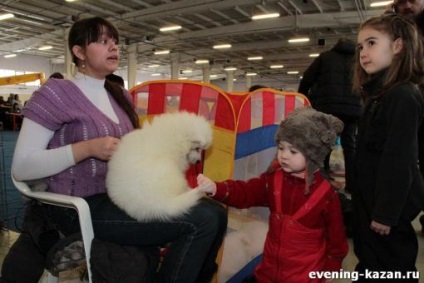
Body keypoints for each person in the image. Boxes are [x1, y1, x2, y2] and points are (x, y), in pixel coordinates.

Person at [11, 16, 227, 283]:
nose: (113, 47)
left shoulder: (120, 96)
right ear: (79, 52)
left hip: (121, 197)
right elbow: (22, 167)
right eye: (102, 41)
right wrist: (87, 148)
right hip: (77, 208)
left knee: (216, 213)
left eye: (114, 41)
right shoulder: (55, 94)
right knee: (201, 221)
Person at [197, 106, 348, 283]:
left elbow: (336, 240)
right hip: (268, 274)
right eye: (281, 148)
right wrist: (217, 188)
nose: (284, 155)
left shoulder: (326, 194)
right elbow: (247, 192)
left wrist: (330, 270)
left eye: (293, 151)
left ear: (313, 154)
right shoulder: (273, 179)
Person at [352, 13, 424, 281]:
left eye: (371, 43)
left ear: (397, 46)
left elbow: (400, 159)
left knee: (391, 270)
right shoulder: (378, 96)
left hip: (386, 214)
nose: (363, 52)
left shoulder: (402, 95)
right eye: (360, 46)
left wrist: (386, 212)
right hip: (371, 206)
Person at [298, 38, 361, 194]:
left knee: (324, 144)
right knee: (350, 147)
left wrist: (303, 99)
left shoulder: (325, 57)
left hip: (327, 108)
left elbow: (307, 78)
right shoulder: (358, 60)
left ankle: (322, 180)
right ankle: (353, 184)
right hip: (352, 111)